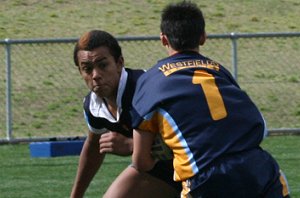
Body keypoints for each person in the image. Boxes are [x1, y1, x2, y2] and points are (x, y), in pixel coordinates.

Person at [131, 1, 290, 198]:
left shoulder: (150, 80)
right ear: (203, 37)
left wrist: (168, 151)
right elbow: (256, 125)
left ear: (164, 39)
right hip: (258, 167)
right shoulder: (220, 71)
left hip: (205, 177)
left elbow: (141, 162)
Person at [70, 30, 181, 197]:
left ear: (119, 63)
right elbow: (93, 147)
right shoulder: (93, 105)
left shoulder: (145, 88)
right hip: (157, 168)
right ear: (80, 72)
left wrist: (132, 145)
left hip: (196, 165)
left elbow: (189, 135)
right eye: (87, 69)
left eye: (103, 65)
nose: (96, 75)